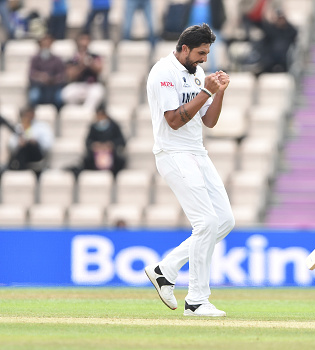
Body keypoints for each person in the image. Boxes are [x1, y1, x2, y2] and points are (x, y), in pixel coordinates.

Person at [144, 24, 235, 317]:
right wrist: (206, 89)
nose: (204, 60)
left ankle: (165, 269)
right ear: (184, 48)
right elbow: (172, 120)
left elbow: (208, 122)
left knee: (224, 221)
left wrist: (217, 92)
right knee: (206, 223)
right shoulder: (163, 73)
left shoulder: (196, 73)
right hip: (173, 153)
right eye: (200, 53)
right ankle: (196, 300)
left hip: (197, 152)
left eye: (207, 53)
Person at [61, 32, 105, 110]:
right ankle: (75, 112)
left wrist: (89, 63)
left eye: (87, 40)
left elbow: (99, 69)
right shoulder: (72, 58)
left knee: (98, 92)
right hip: (77, 85)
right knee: (66, 94)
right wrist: (81, 65)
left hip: (92, 85)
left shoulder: (94, 56)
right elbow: (70, 75)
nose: (84, 42)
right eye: (82, 39)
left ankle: (87, 112)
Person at [82, 105, 126, 176]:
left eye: (102, 115)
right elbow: (88, 142)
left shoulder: (114, 126)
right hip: (95, 156)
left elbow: (122, 141)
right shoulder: (93, 127)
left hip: (112, 157)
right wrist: (95, 145)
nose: (100, 118)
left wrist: (111, 145)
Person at [7, 106, 54, 172]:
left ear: (33, 114)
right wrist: (19, 143)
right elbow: (11, 145)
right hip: (22, 154)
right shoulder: (19, 127)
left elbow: (47, 145)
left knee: (29, 145)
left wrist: (36, 142)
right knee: (24, 148)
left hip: (36, 153)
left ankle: (14, 167)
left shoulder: (42, 127)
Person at [28, 34, 66, 109]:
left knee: (60, 98)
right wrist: (40, 77)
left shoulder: (57, 59)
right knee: (34, 96)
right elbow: (31, 74)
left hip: (54, 87)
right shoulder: (35, 59)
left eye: (48, 44)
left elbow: (62, 75)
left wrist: (52, 79)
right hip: (39, 86)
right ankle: (33, 112)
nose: (46, 46)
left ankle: (57, 115)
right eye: (44, 44)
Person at [186, 0, 226, 72]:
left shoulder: (216, 1)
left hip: (211, 28)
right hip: (194, 27)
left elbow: (221, 14)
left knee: (212, 50)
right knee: (194, 50)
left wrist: (218, 26)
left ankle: (214, 71)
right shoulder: (192, 1)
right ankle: (195, 71)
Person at [255, 8, 297, 74]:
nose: (280, 20)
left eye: (282, 18)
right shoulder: (270, 29)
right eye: (279, 18)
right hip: (271, 61)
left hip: (286, 62)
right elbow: (257, 21)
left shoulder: (291, 31)